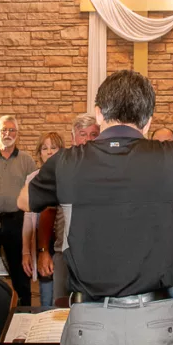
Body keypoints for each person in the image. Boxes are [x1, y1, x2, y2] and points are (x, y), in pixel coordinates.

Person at [19, 69, 173, 345]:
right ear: (148, 120)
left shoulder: (68, 161)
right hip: (156, 322)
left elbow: (25, 199)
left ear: (99, 115)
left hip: (90, 322)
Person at [36, 113, 100, 301]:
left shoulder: (111, 169)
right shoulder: (60, 169)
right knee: (62, 312)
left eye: (94, 134)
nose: (88, 139)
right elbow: (48, 212)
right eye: (83, 134)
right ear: (73, 138)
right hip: (64, 254)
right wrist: (43, 252)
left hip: (100, 255)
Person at [0, 115, 37, 306]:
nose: (7, 134)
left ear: (17, 134)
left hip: (17, 222)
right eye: (3, 130)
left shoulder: (26, 160)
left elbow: (33, 193)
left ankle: (24, 318)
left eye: (11, 130)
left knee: (20, 275)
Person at [23, 131, 65, 304]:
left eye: (53, 148)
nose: (49, 152)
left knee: (63, 299)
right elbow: (28, 217)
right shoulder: (32, 179)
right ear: (39, 153)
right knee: (46, 298)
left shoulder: (70, 177)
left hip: (64, 247)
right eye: (45, 148)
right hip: (43, 246)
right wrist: (26, 251)